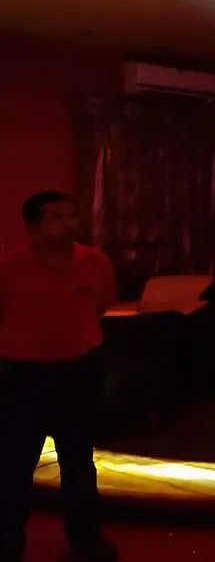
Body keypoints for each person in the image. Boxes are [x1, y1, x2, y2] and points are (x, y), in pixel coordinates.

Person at [0, 192, 117, 562]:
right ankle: (6, 545)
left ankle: (86, 543)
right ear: (34, 228)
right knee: (14, 466)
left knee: (79, 462)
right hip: (22, 376)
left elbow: (102, 305)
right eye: (57, 217)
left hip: (78, 373)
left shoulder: (95, 262)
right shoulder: (9, 268)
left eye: (72, 216)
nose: (68, 224)